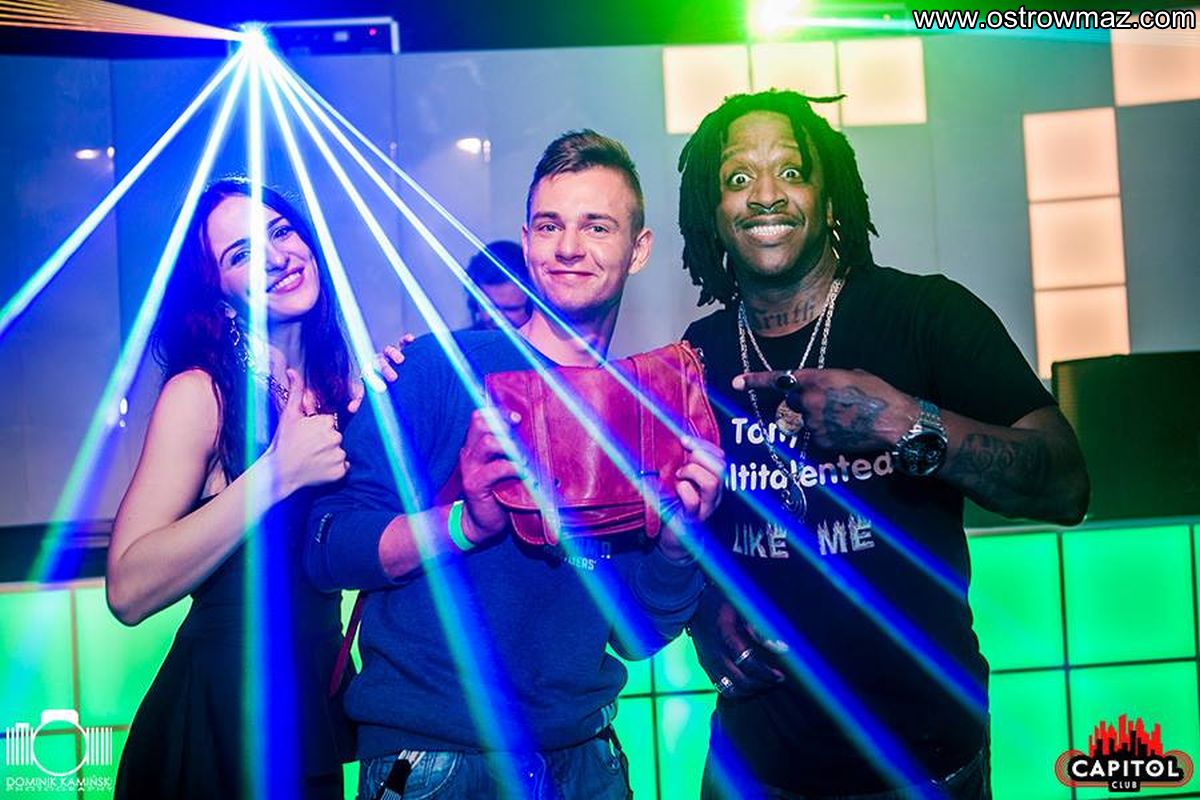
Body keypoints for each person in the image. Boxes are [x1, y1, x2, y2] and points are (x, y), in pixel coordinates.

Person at [677, 91, 1089, 799]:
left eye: (791, 172)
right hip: (753, 766)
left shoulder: (926, 316)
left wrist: (904, 423)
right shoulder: (697, 355)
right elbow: (681, 522)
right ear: (712, 215)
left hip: (924, 762)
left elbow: (1065, 485)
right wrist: (701, 611)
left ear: (830, 198)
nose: (766, 194)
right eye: (738, 178)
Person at [306, 130, 726, 800]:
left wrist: (678, 548)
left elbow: (634, 635)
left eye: (597, 226)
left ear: (639, 248)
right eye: (551, 226)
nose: (569, 247)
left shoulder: (645, 410)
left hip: (586, 762)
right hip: (436, 761)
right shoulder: (434, 369)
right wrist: (466, 523)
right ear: (527, 241)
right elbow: (329, 549)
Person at [108, 178, 403, 799]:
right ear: (217, 293)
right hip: (222, 721)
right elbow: (127, 590)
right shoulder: (201, 394)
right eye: (241, 253)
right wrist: (276, 474)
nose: (276, 256)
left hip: (309, 704)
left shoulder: (334, 387)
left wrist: (402, 404)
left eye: (281, 231)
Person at [464, 239, 533, 330]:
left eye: (511, 309)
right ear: (474, 304)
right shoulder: (454, 339)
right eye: (488, 307)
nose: (499, 321)